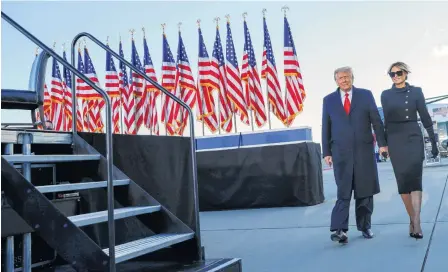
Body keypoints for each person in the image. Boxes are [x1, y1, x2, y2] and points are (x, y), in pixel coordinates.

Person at [322, 66, 387, 244]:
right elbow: (325, 127)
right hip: (340, 153)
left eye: (347, 77)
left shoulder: (365, 95)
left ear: (352, 78)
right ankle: (339, 230)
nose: (344, 80)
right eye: (341, 78)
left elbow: (376, 121)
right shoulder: (328, 100)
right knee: (343, 192)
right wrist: (326, 152)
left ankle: (365, 226)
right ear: (336, 80)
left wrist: (382, 144)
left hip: (364, 152)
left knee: (365, 192)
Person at [380, 62, 439, 239]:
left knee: (415, 179)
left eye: (399, 72)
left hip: (413, 137)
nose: (396, 76)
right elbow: (386, 122)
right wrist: (383, 144)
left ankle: (417, 222)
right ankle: (412, 218)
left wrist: (433, 142)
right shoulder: (386, 95)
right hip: (395, 139)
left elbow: (425, 117)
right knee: (403, 183)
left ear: (406, 73)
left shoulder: (416, 92)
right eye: (392, 74)